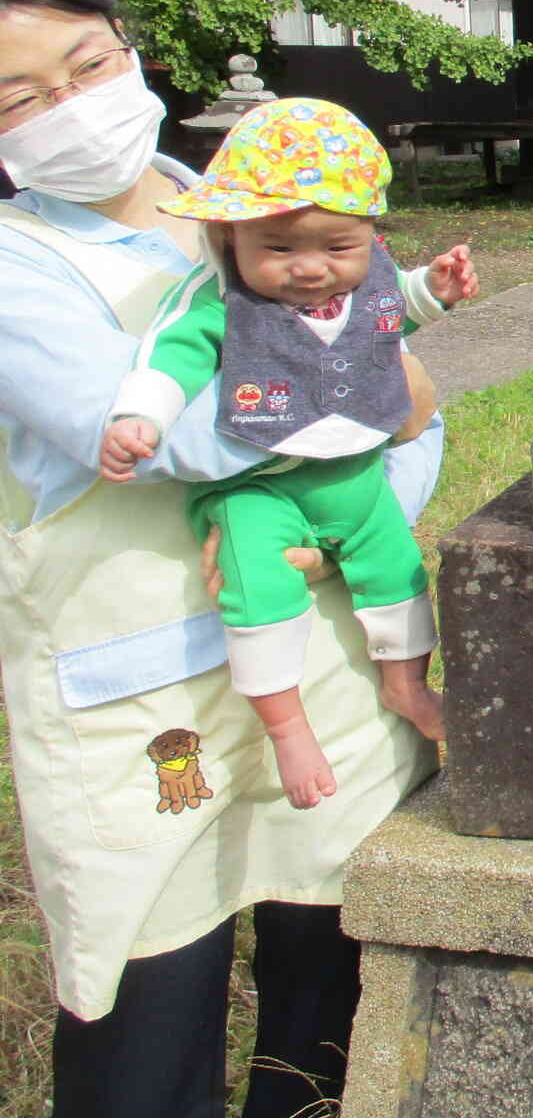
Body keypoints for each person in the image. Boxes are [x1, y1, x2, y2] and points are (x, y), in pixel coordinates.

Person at [0, 0, 444, 1118]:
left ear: (130, 49)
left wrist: (367, 506)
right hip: (143, 685)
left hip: (324, 653)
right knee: (153, 1004)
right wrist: (389, 400)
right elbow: (165, 436)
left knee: (329, 980)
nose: (69, 107)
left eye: (87, 66)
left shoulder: (249, 197)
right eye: (20, 97)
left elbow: (402, 394)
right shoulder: (17, 266)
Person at [100, 98, 477, 808]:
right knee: (258, 589)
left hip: (356, 475)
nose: (310, 270)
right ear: (229, 238)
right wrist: (140, 418)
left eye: (337, 249)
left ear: (369, 233)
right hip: (258, 487)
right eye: (278, 250)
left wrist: (437, 288)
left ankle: (406, 685)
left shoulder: (368, 274)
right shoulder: (217, 301)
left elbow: (396, 303)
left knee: (398, 571)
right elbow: (168, 361)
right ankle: (287, 726)